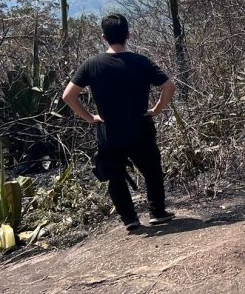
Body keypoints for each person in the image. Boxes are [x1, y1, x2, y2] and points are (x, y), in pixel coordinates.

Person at [62, 13, 178, 231]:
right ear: (128, 34)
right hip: (140, 126)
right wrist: (156, 109)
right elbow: (169, 86)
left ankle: (130, 220)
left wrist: (90, 118)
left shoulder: (92, 64)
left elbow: (68, 96)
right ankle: (157, 213)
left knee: (116, 176)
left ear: (103, 36)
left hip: (109, 130)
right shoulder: (141, 62)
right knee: (151, 170)